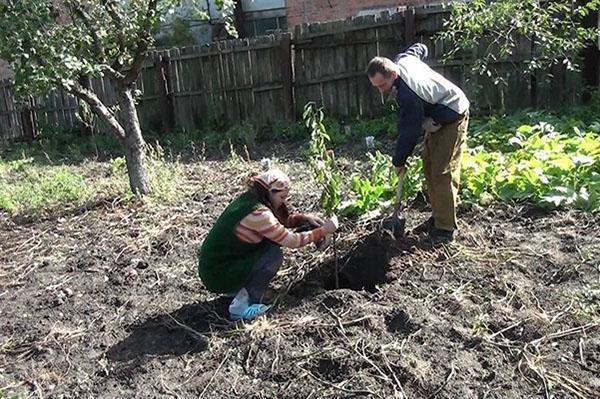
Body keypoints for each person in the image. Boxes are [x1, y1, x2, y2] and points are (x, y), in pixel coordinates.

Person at [198, 169, 339, 321]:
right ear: (270, 192)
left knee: (269, 245)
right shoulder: (259, 214)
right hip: (218, 273)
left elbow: (280, 222)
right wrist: (324, 231)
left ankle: (237, 291)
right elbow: (290, 241)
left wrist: (303, 218)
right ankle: (242, 307)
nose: (283, 201)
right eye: (282, 197)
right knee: (273, 255)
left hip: (217, 265)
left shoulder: (249, 200)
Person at [366, 43, 470, 245]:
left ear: (393, 75)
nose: (380, 91)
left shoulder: (408, 95)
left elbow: (409, 131)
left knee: (441, 170)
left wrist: (399, 160)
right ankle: (438, 217)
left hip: (453, 112)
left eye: (382, 85)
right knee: (429, 166)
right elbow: (420, 48)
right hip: (436, 114)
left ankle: (445, 229)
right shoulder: (403, 59)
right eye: (376, 86)